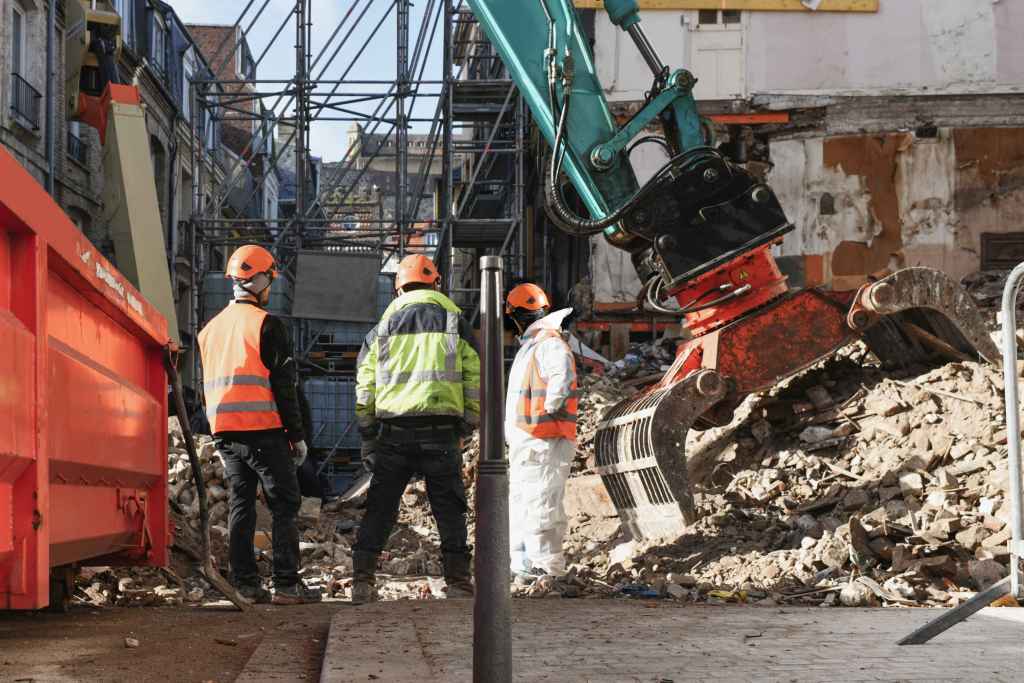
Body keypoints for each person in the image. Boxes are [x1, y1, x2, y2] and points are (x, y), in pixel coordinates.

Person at [351, 254, 480, 604]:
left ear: (398, 291)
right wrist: (470, 419)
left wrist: (368, 433)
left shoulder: (381, 329)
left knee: (380, 506)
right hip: (442, 431)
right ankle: (457, 582)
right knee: (449, 508)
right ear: (436, 284)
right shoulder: (455, 321)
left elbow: (365, 386)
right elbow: (473, 376)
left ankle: (362, 581)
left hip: (393, 432)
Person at [198, 244, 319, 605]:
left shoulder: (209, 331)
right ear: (260, 280)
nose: (271, 288)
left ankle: (246, 584)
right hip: (263, 430)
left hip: (225, 432)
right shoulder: (267, 325)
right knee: (285, 503)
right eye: (269, 280)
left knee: (241, 504)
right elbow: (285, 388)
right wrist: (297, 436)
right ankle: (286, 584)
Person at [504, 283, 578, 581]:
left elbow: (561, 375)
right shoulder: (534, 345)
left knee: (542, 503)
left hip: (543, 439)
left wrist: (550, 408)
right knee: (524, 501)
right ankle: (523, 565)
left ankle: (547, 569)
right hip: (531, 438)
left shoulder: (548, 343)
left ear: (519, 315)